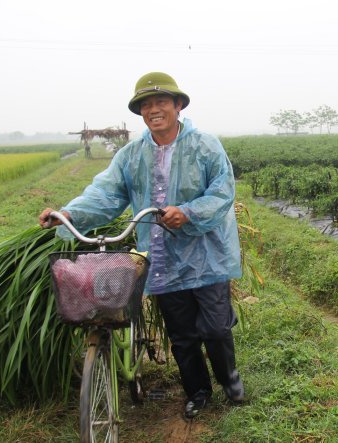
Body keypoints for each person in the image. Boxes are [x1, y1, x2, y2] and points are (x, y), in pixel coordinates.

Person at [39, 71, 244, 419]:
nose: (154, 109)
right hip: (163, 257)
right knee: (182, 335)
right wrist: (68, 214)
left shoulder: (205, 145)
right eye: (146, 105)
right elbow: (106, 193)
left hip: (207, 255)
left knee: (213, 327)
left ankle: (229, 379)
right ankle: (197, 391)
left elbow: (223, 191)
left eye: (161, 102)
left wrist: (189, 212)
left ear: (178, 106)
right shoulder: (131, 155)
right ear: (140, 113)